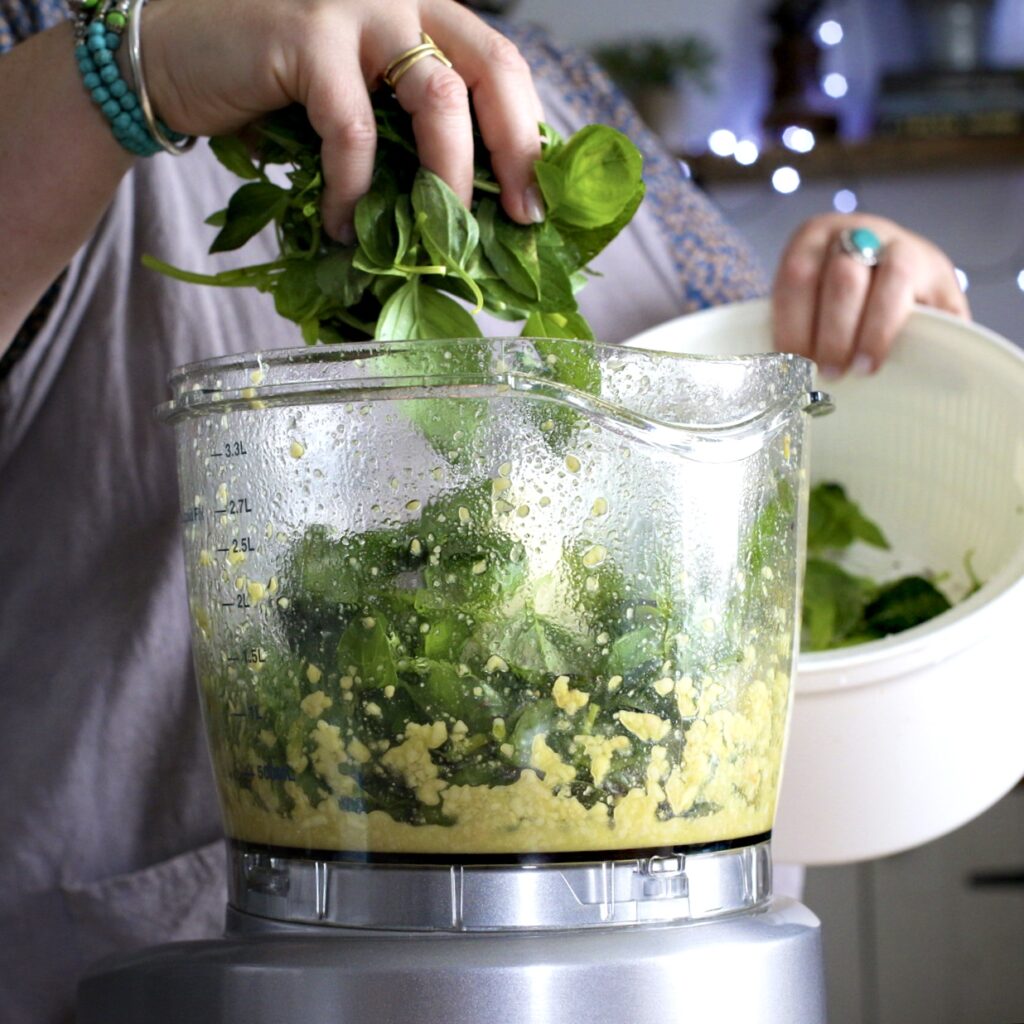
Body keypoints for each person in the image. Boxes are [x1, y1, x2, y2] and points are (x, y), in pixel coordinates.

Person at [0, 2, 969, 1021]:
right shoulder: (49, 46)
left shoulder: (552, 86)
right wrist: (122, 73)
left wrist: (876, 307)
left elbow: (759, 427)